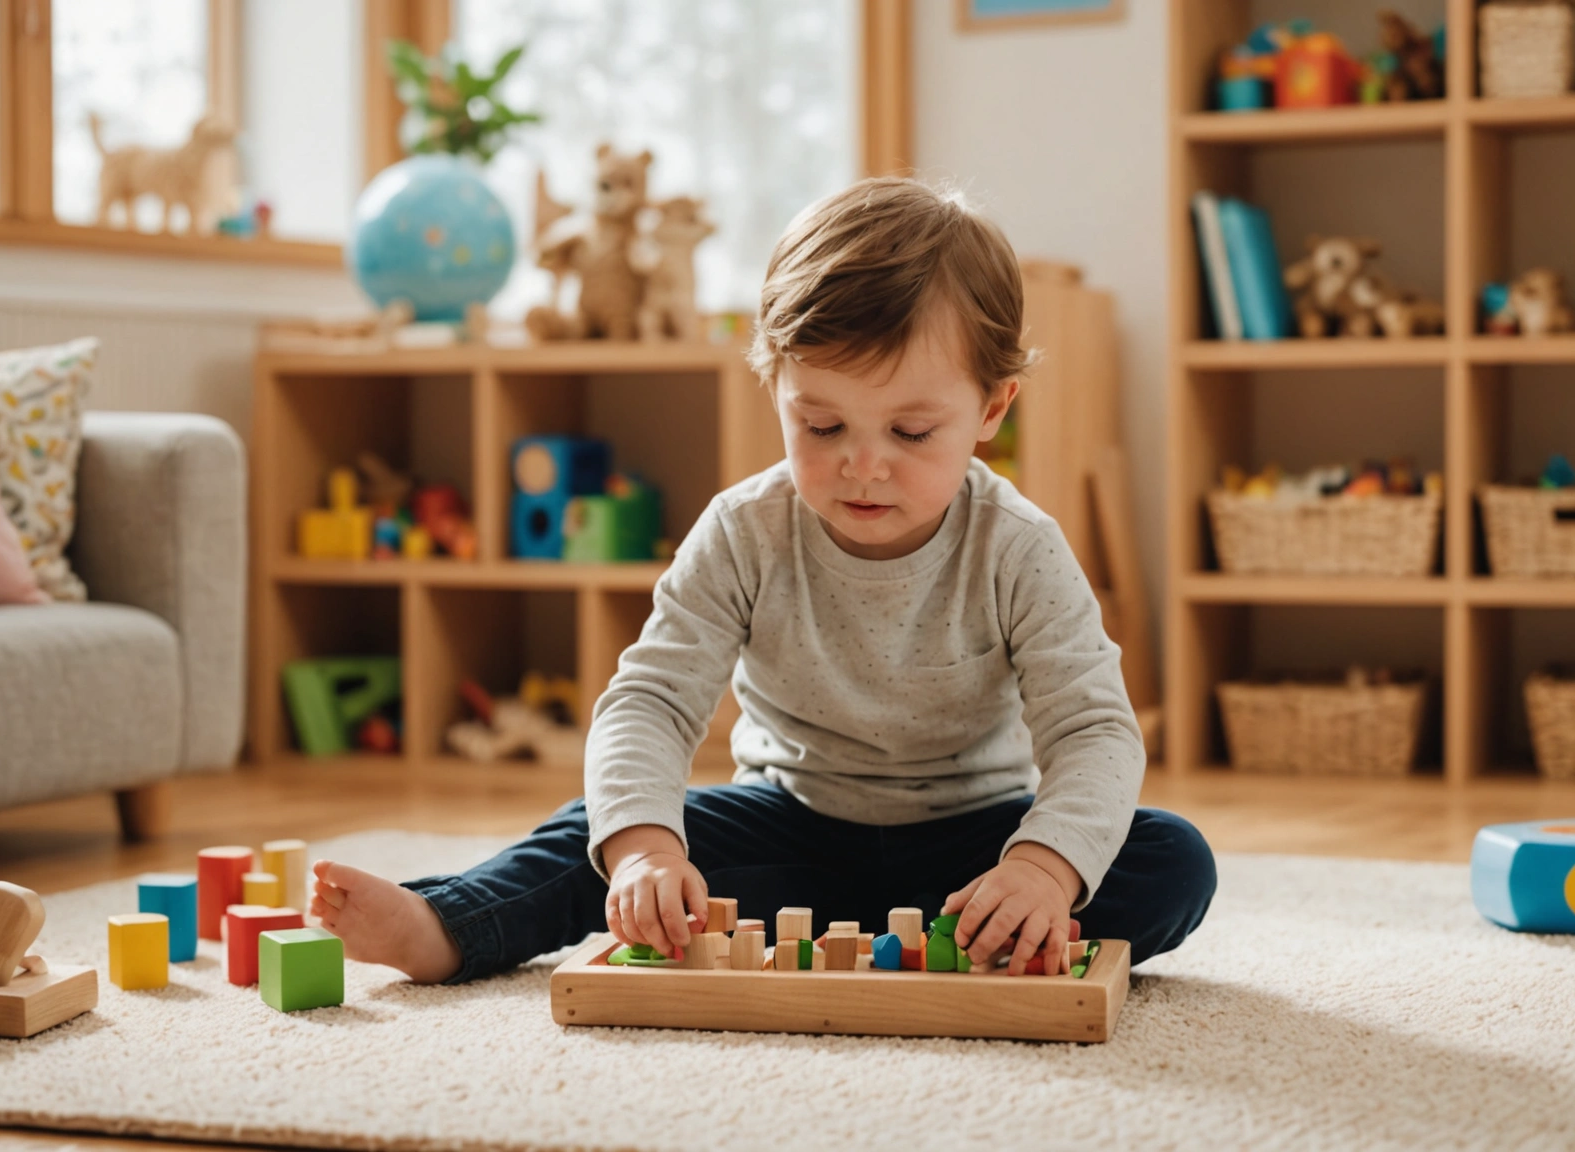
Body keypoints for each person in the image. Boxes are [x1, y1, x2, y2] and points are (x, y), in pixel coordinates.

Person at [310, 176, 1215, 983]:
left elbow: (1095, 730)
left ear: (990, 408)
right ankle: (447, 926)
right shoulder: (744, 530)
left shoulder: (1017, 544)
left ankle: (989, 922)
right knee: (594, 830)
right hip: (789, 826)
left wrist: (1043, 871)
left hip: (974, 847)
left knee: (1170, 858)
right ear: (774, 385)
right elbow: (650, 703)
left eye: (910, 433)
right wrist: (645, 853)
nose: (864, 467)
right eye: (822, 426)